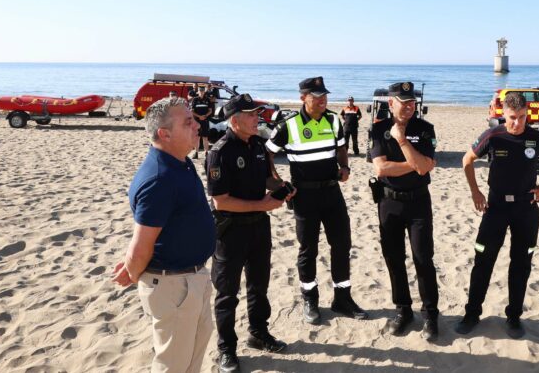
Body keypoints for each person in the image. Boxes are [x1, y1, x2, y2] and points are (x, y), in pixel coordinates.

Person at [112, 96, 216, 373]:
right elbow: (142, 242)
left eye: (194, 119)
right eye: (188, 122)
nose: (197, 125)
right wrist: (132, 270)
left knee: (192, 356)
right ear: (164, 133)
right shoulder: (159, 178)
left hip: (193, 279)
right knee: (172, 364)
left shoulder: (180, 163)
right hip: (173, 285)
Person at [266, 76, 367, 324]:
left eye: (325, 96)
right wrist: (278, 183)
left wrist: (344, 167)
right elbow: (265, 154)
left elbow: (342, 146)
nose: (322, 101)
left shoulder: (333, 119)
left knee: (342, 245)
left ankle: (342, 298)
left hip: (332, 193)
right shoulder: (288, 125)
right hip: (304, 196)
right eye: (317, 97)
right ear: (303, 98)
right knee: (308, 250)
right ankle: (309, 298)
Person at [455, 91, 539, 339]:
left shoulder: (536, 137)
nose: (517, 123)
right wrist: (475, 192)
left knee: (521, 264)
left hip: (526, 208)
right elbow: (467, 160)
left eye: (522, 117)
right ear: (503, 114)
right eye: (512, 117)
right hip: (496, 207)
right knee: (483, 261)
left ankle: (513, 317)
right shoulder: (494, 135)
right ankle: (472, 313)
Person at [207, 94, 295, 372]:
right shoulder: (219, 152)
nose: (257, 117)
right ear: (234, 121)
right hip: (230, 231)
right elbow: (220, 200)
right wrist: (264, 204)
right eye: (250, 114)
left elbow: (267, 177)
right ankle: (227, 349)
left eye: (256, 112)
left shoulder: (258, 144)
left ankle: (258, 333)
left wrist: (282, 187)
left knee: (259, 285)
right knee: (227, 293)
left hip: (259, 227)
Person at [368, 82, 440, 341]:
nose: (410, 107)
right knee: (394, 259)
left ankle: (430, 315)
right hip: (389, 204)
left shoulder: (425, 129)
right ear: (391, 103)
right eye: (404, 102)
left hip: (419, 203)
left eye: (412, 102)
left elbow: (424, 169)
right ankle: (404, 311)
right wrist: (416, 162)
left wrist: (401, 141)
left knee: (423, 259)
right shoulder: (377, 129)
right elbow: (381, 169)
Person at [191, 86, 215, 159]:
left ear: (204, 92)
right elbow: (192, 111)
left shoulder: (207, 100)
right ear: (198, 92)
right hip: (197, 121)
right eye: (200, 91)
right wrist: (199, 116)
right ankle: (196, 153)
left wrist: (205, 116)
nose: (201, 92)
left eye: (202, 91)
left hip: (205, 120)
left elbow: (210, 110)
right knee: (197, 137)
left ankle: (206, 152)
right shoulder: (195, 100)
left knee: (205, 137)